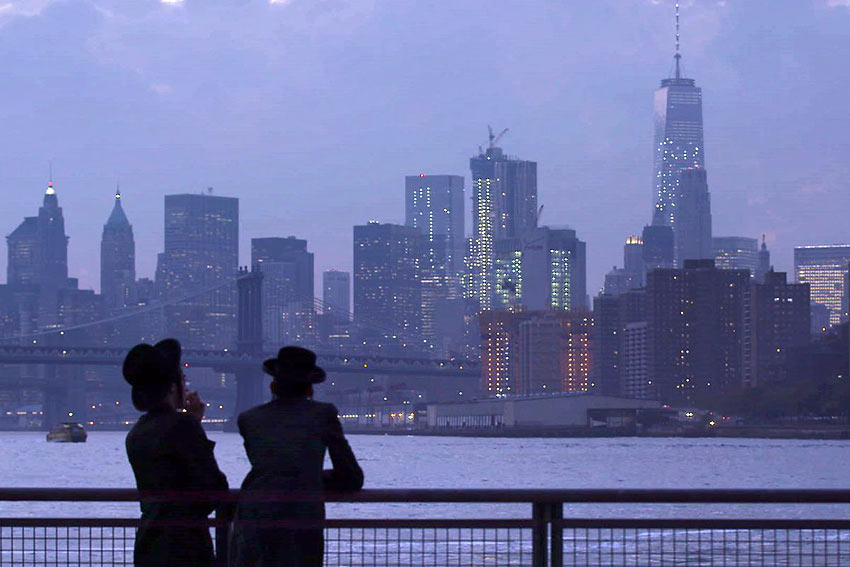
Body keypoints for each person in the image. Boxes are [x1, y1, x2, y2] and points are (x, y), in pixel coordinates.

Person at [232, 346, 364, 567]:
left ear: (273, 384)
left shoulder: (248, 420)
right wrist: (311, 478)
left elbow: (274, 465)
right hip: (303, 520)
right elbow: (352, 477)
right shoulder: (323, 414)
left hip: (254, 518)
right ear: (310, 389)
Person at [123, 338, 229, 567]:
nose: (187, 386)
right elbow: (215, 490)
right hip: (186, 547)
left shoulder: (136, 432)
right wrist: (195, 426)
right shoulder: (183, 426)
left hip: (148, 545)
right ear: (172, 387)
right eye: (182, 379)